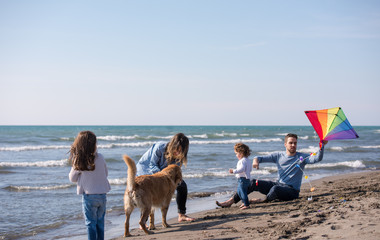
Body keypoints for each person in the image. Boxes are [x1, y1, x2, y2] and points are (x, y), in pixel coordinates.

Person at [216, 133, 328, 208]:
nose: (293, 145)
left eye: (295, 143)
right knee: (252, 182)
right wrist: (256, 161)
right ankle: (231, 201)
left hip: (292, 191)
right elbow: (259, 158)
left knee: (275, 189)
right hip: (278, 184)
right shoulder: (278, 155)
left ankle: (263, 200)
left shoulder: (301, 157)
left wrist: (322, 146)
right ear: (285, 144)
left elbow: (317, 158)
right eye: (291, 143)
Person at [136, 132, 195, 222]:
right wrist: (163, 179)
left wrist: (174, 181)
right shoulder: (160, 147)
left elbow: (175, 171)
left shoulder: (180, 156)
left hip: (162, 175)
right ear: (172, 145)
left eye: (181, 151)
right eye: (177, 149)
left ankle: (181, 214)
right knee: (148, 192)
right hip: (145, 170)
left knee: (182, 186)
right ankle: (143, 221)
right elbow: (152, 165)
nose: (178, 152)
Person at [69, 131, 111, 240]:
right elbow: (105, 173)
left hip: (89, 196)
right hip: (102, 195)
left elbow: (72, 178)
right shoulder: (100, 157)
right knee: (100, 223)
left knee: (90, 224)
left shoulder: (79, 160)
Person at [229, 143, 253, 210]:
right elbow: (250, 169)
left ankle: (246, 204)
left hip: (242, 179)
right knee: (240, 191)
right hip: (247, 178)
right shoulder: (247, 160)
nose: (236, 155)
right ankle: (243, 202)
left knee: (242, 192)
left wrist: (233, 171)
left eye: (236, 153)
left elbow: (241, 169)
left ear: (241, 152)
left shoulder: (242, 161)